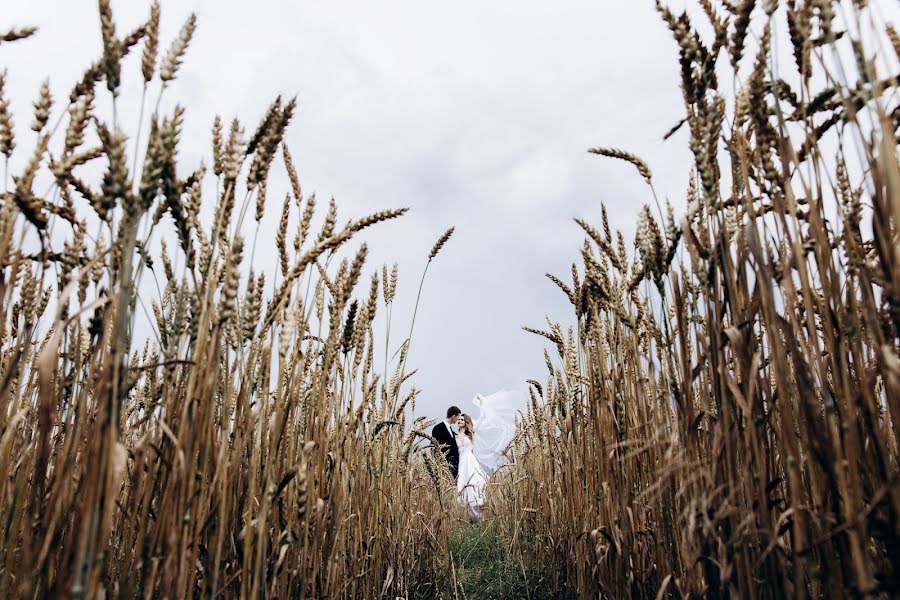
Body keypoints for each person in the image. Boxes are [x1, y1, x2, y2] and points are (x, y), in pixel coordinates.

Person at [456, 413, 488, 521]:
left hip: (470, 462)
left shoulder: (470, 433)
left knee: (473, 486)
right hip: (461, 463)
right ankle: (470, 518)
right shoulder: (455, 434)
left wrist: (482, 404)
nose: (459, 421)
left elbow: (480, 421)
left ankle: (479, 517)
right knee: (463, 486)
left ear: (466, 422)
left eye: (462, 419)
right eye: (459, 419)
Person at [432, 406, 460, 479]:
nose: (458, 420)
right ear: (453, 416)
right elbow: (434, 446)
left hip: (453, 466)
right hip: (444, 466)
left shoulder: (450, 429)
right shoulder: (438, 428)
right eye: (458, 417)